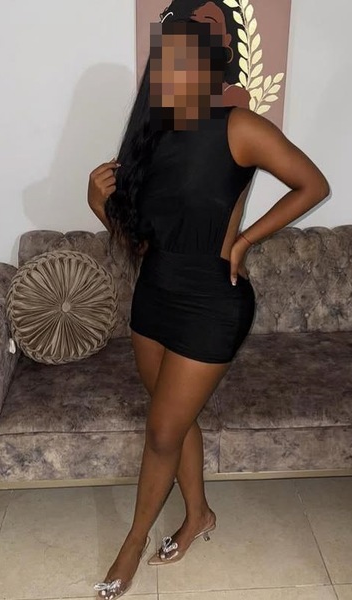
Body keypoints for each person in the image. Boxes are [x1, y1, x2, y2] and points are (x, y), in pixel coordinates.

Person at [87, 9, 330, 600]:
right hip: (154, 294)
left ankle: (132, 543)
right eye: (163, 62)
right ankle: (198, 515)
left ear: (211, 67)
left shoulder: (238, 127)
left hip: (211, 304)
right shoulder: (150, 138)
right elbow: (139, 243)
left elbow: (313, 185)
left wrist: (244, 241)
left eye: (185, 61)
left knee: (161, 432)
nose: (172, 73)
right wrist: (99, 204)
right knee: (175, 421)